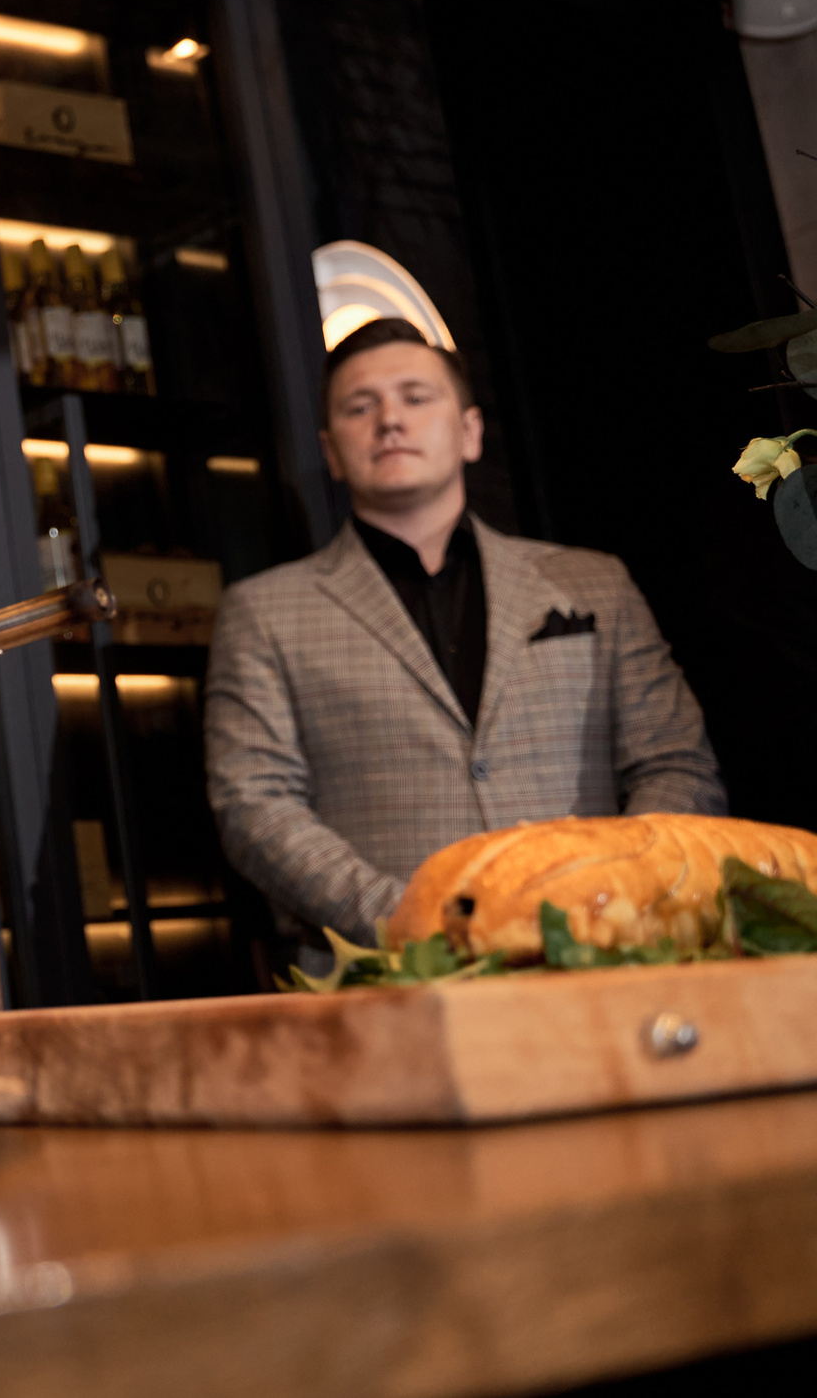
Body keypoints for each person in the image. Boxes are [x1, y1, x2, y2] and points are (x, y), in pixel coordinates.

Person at [205, 317, 723, 966]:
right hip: (392, 977)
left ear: (470, 431)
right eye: (359, 407)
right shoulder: (264, 610)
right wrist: (404, 920)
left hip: (607, 958)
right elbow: (254, 804)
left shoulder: (592, 583)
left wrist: (615, 892)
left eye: (416, 397)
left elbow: (675, 763)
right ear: (332, 450)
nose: (390, 419)